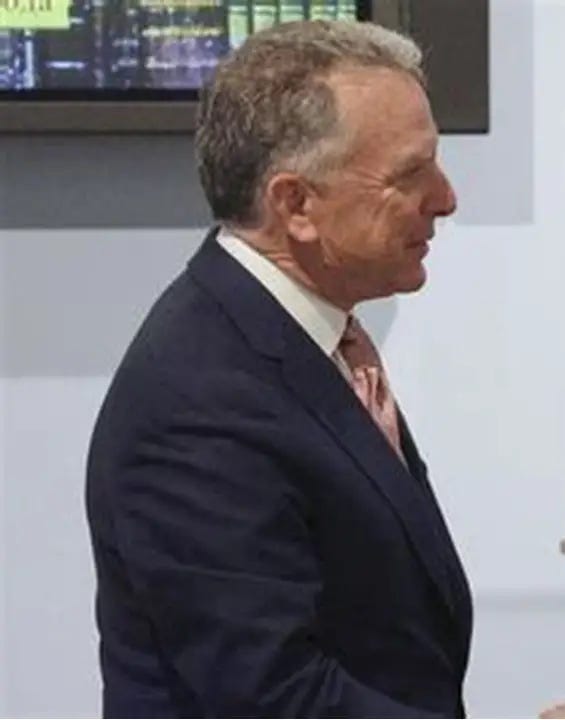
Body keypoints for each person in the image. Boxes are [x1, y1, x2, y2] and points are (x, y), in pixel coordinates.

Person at [85, 20, 470, 717]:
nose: (445, 199)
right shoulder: (199, 403)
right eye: (410, 175)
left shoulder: (302, 340)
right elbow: (273, 695)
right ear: (296, 204)